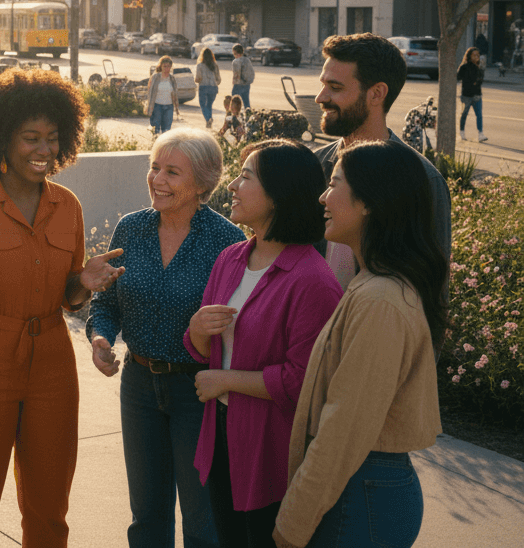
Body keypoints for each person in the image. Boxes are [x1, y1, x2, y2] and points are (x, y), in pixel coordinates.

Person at [0, 68, 124, 547]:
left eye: (52, 139)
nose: (44, 150)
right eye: (30, 138)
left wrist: (83, 282)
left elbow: (69, 296)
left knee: (49, 508)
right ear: (1, 138)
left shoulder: (68, 205)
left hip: (53, 362)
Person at [272, 141, 447, 548]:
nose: (322, 197)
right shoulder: (373, 284)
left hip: (361, 493)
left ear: (369, 202)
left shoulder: (380, 300)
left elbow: (345, 427)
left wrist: (293, 523)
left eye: (334, 183)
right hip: (361, 487)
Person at [86, 127, 245, 548]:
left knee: (201, 520)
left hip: (198, 391)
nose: (157, 180)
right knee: (147, 517)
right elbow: (107, 303)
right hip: (137, 386)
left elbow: (241, 330)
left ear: (202, 185)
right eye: (155, 168)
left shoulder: (227, 241)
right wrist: (100, 339)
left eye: (172, 173)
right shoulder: (131, 229)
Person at [184, 140, 342, 547]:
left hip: (269, 446)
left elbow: (303, 380)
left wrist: (226, 381)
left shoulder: (312, 280)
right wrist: (198, 331)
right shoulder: (231, 258)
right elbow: (204, 347)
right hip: (220, 433)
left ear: (279, 194)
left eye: (246, 177)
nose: (233, 185)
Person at [312, 33, 451, 291]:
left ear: (377, 94)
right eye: (323, 84)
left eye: (336, 87)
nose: (320, 97)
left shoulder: (423, 180)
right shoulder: (312, 167)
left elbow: (433, 292)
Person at [458, 46, 487, 142]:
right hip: (466, 95)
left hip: (477, 95)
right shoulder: (464, 67)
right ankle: (462, 132)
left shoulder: (479, 67)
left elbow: (480, 81)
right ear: (469, 56)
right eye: (474, 55)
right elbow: (458, 77)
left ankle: (481, 134)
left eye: (478, 55)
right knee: (464, 114)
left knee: (479, 115)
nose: (477, 56)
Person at [147, 56, 180, 136]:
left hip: (169, 106)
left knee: (167, 130)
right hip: (157, 106)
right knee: (156, 129)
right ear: (161, 66)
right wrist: (149, 107)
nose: (167, 68)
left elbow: (175, 93)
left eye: (169, 66)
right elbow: (150, 92)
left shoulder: (172, 78)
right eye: (165, 66)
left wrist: (176, 107)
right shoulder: (155, 77)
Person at [195, 49, 222, 127]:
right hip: (213, 88)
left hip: (203, 87)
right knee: (209, 105)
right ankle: (209, 120)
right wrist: (214, 83)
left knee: (203, 105)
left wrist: (196, 80)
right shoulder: (215, 65)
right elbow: (219, 79)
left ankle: (208, 119)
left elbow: (198, 78)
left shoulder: (200, 65)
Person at [231, 44, 255, 109]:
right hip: (247, 83)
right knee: (246, 101)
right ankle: (248, 115)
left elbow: (236, 74)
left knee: (234, 101)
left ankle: (235, 116)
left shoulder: (235, 61)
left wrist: (234, 83)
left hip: (238, 84)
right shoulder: (247, 60)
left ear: (235, 52)